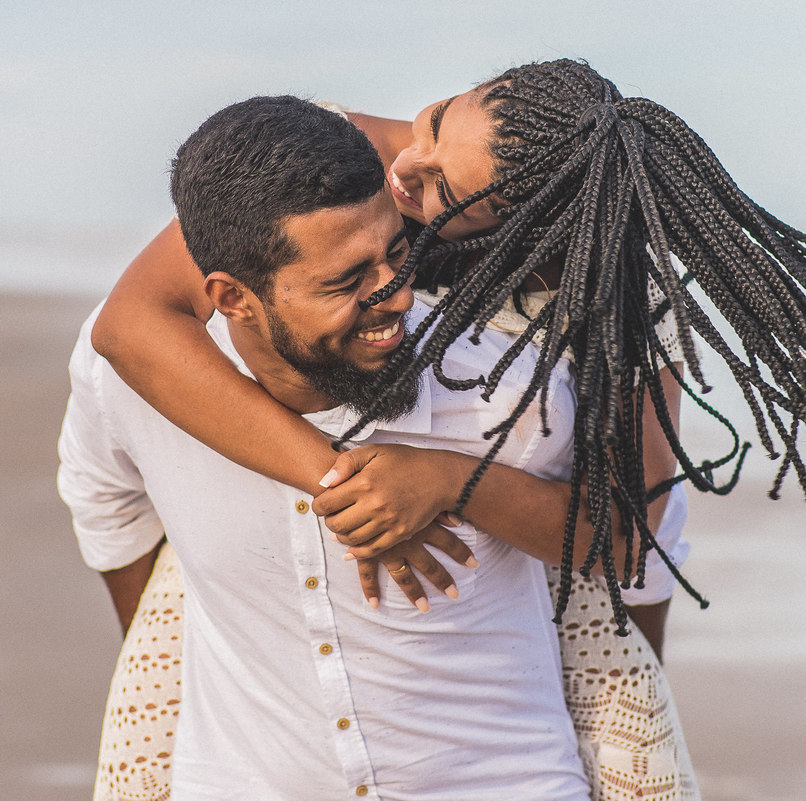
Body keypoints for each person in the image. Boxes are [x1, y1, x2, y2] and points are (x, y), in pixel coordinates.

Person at [61, 95, 694, 801]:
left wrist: (453, 481)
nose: (396, 290)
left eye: (406, 245)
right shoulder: (335, 166)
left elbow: (630, 547)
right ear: (231, 297)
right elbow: (111, 436)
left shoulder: (533, 378)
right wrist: (339, 484)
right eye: (346, 279)